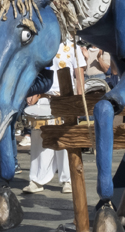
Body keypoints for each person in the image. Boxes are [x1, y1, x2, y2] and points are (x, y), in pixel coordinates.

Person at [23, 39, 85, 195]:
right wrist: (31, 92)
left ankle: (67, 180)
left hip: (65, 97)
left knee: (65, 139)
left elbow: (79, 76)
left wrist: (79, 101)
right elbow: (32, 71)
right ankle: (37, 179)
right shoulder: (41, 43)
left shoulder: (73, 46)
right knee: (40, 139)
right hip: (43, 97)